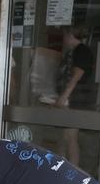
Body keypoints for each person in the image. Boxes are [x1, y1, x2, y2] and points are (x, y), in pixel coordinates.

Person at [39, 26, 95, 165]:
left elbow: (76, 75)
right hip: (69, 100)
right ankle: (64, 167)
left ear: (71, 35)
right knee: (65, 137)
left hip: (74, 101)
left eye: (65, 35)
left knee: (70, 137)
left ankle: (71, 171)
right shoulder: (73, 52)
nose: (63, 39)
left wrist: (63, 97)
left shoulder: (82, 51)